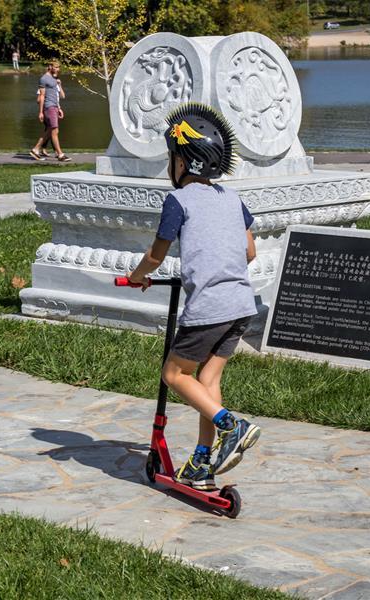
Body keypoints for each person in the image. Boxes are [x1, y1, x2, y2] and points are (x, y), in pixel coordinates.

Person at [126, 103, 262, 491]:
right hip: (240, 305)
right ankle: (201, 462)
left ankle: (232, 426)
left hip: (209, 308)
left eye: (172, 157)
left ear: (184, 162)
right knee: (207, 379)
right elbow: (250, 252)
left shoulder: (178, 201)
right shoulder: (231, 198)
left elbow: (156, 255)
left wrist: (137, 278)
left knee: (173, 374)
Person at [29, 60, 70, 162]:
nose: (58, 69)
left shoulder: (54, 79)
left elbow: (57, 95)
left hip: (54, 107)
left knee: (51, 130)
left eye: (59, 67)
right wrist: (41, 112)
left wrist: (59, 108)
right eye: (56, 67)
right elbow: (41, 96)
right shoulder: (44, 79)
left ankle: (36, 149)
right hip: (49, 107)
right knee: (54, 130)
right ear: (50, 66)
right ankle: (60, 154)